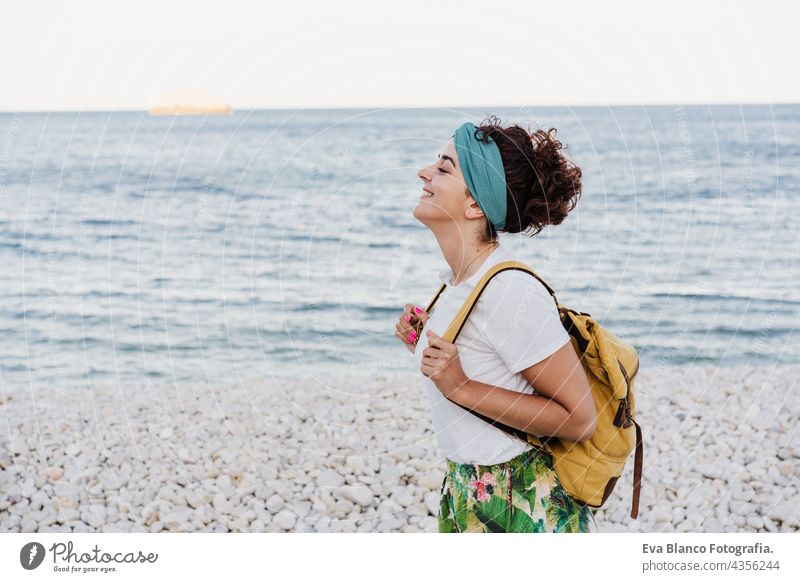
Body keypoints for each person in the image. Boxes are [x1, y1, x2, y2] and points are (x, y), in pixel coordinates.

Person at [394, 116, 598, 533]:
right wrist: (422, 343)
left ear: (474, 205)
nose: (424, 172)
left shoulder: (510, 291)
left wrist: (460, 385)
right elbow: (485, 359)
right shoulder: (456, 284)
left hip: (522, 501)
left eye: (444, 167)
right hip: (465, 493)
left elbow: (579, 419)